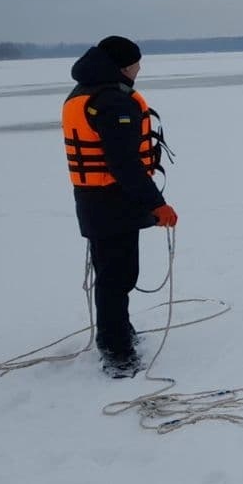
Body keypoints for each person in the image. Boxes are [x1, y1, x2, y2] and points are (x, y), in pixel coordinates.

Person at [62, 35, 177, 378]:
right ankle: (116, 352)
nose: (140, 69)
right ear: (124, 66)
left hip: (97, 201)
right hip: (112, 201)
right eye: (137, 63)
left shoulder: (88, 91)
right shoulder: (112, 101)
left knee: (116, 274)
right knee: (116, 276)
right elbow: (124, 164)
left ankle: (118, 333)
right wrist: (157, 204)